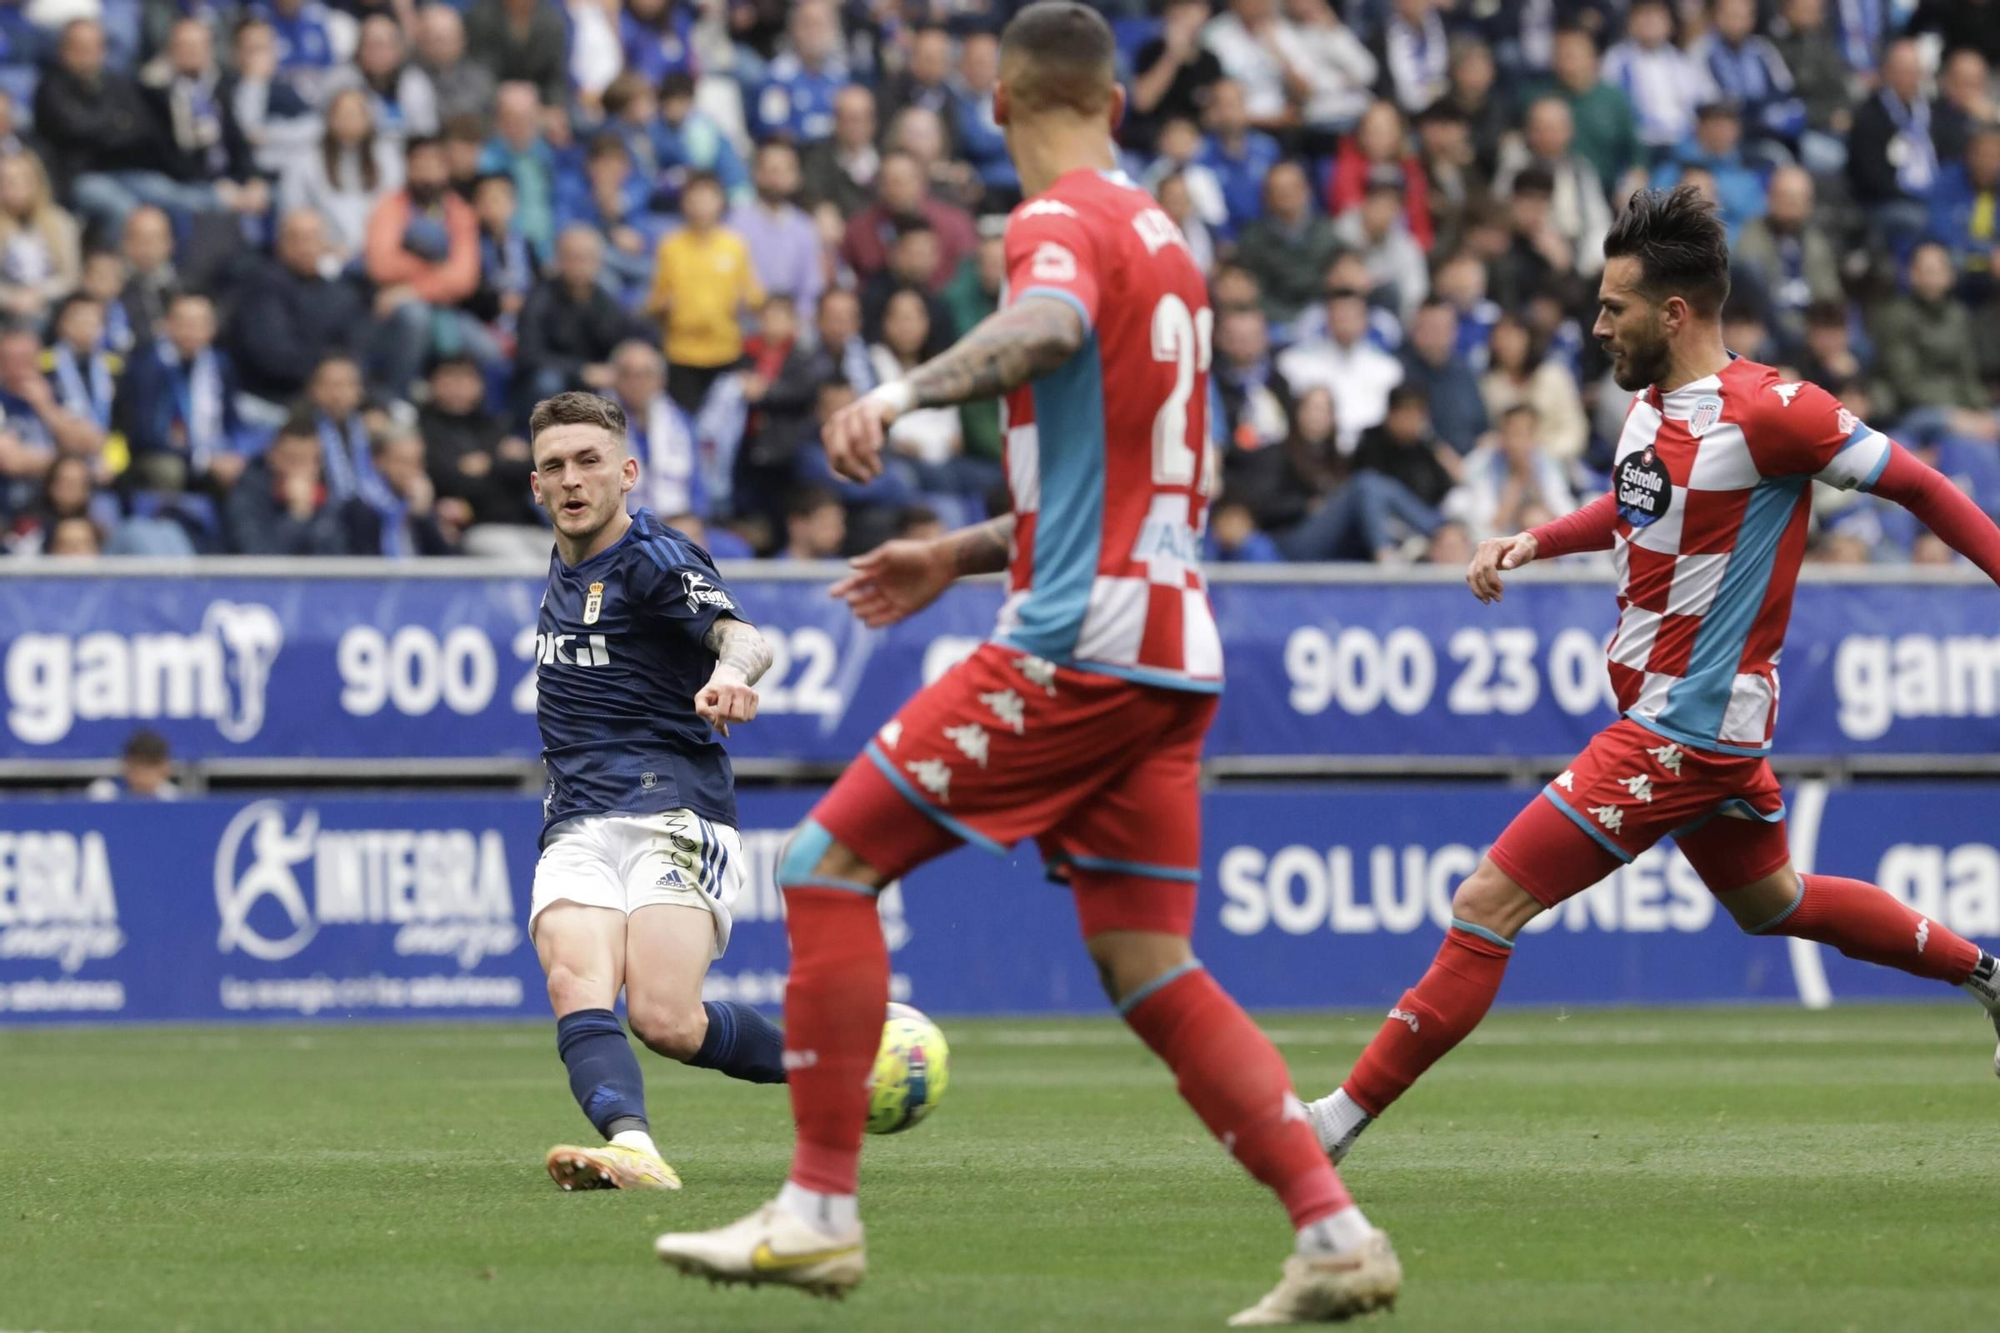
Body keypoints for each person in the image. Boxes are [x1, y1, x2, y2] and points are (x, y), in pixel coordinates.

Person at [652, 6, 1397, 1323]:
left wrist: (895, 393)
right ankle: (1333, 1232)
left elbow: (1044, 330)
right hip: (1174, 649)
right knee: (1145, 960)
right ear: (1116, 99)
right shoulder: (1170, 241)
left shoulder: (1054, 227)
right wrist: (958, 549)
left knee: (825, 866)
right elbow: (1155, 470)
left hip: (1078, 644)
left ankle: (818, 1211)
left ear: (999, 103)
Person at [1303, 185, 2000, 1171]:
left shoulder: (1775, 412)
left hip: (1684, 726)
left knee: (1484, 902)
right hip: (1686, 722)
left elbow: (1922, 485)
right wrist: (1530, 541)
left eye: (1611, 306)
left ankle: (1327, 1124)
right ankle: (1986, 975)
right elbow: (1637, 508)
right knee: (1773, 902)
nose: (1595, 325)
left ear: (1672, 312)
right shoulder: (1648, 409)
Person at [519, 390, 785, 1193]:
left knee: (666, 1020)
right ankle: (631, 1145)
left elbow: (743, 635)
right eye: (555, 466)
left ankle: (829, 1061)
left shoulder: (654, 558)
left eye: (589, 461)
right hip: (576, 820)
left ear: (628, 473)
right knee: (574, 978)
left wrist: (732, 677)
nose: (572, 479)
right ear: (536, 485)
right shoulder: (567, 561)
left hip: (673, 809)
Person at [647, 173, 762, 414]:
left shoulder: (735, 246)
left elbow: (754, 296)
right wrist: (663, 306)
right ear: (684, 203)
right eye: (694, 198)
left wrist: (747, 302)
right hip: (681, 352)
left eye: (708, 198)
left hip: (725, 350)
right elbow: (655, 302)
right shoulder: (670, 246)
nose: (701, 205)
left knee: (721, 429)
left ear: (720, 202)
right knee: (685, 422)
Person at [87, 729, 180, 801]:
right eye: (141, 764)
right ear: (127, 764)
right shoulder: (104, 793)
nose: (146, 774)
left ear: (166, 768)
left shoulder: (173, 797)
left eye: (153, 764)